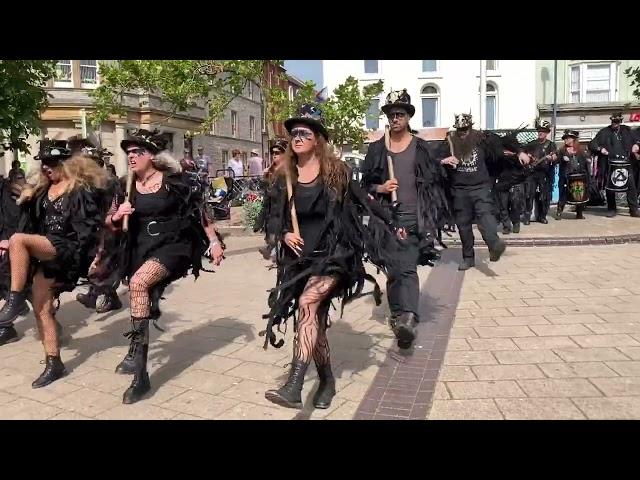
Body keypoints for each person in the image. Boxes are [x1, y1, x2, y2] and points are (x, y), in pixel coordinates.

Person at [262, 105, 401, 409]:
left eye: (304, 133)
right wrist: (284, 233)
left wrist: (393, 224)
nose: (297, 137)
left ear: (317, 139)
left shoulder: (336, 171)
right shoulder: (284, 175)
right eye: (294, 133)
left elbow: (365, 201)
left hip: (334, 256)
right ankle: (326, 380)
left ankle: (294, 384)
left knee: (307, 304)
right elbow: (272, 218)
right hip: (299, 262)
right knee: (314, 323)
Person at [106, 129, 224, 404]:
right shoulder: (124, 185)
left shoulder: (173, 181)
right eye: (129, 152)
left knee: (138, 284)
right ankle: (139, 359)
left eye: (138, 152)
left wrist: (214, 241)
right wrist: (117, 216)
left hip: (172, 245)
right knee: (140, 294)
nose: (132, 156)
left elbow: (199, 211)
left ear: (152, 155)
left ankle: (139, 370)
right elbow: (108, 221)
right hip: (139, 248)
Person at [0, 139, 107, 387]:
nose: (47, 168)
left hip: (67, 248)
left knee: (17, 240)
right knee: (42, 308)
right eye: (44, 163)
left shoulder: (79, 189)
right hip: (45, 249)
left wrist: (96, 257)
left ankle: (14, 300)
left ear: (66, 163)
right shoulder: (41, 191)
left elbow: (90, 228)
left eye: (52, 163)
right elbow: (27, 223)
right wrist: (26, 200)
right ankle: (53, 362)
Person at [361, 89, 449, 349]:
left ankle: (409, 318)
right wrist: (381, 188)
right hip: (386, 218)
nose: (395, 118)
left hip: (414, 217)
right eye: (391, 114)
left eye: (400, 114)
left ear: (408, 117)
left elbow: (434, 184)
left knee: (408, 268)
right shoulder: (378, 149)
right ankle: (399, 316)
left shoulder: (421, 147)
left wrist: (432, 215)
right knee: (394, 271)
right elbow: (366, 184)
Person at [438, 113, 529, 271]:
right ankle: (468, 258)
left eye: (465, 129)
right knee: (463, 225)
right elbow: (434, 158)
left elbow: (504, 142)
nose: (463, 132)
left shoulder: (482, 139)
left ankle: (494, 245)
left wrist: (520, 151)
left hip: (480, 187)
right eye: (460, 129)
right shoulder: (449, 142)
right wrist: (443, 161)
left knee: (486, 215)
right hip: (459, 190)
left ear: (470, 127)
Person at [590, 112, 640, 217]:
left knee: (631, 187)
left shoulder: (627, 130)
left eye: (617, 122)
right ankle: (611, 209)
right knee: (610, 187)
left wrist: (636, 145)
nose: (615, 124)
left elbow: (637, 140)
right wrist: (600, 149)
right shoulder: (604, 132)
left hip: (626, 164)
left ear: (620, 122)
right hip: (610, 165)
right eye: (613, 121)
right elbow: (592, 144)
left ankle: (633, 209)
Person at [0, 170, 28, 345]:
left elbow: (16, 217)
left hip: (12, 243)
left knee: (19, 285)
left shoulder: (9, 190)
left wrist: (7, 239)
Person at [255, 140, 288, 261]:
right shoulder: (271, 171)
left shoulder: (287, 172)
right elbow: (266, 196)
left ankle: (274, 252)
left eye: (278, 152)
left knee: (279, 253)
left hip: (281, 214)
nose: (274, 155)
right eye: (272, 152)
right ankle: (272, 250)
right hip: (271, 213)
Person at [523, 119, 557, 225]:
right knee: (529, 194)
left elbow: (555, 157)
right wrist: (526, 155)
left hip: (544, 174)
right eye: (539, 130)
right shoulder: (531, 144)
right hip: (532, 173)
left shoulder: (551, 145)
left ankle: (542, 216)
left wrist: (552, 158)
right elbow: (523, 153)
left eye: (543, 130)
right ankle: (527, 216)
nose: (540, 132)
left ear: (547, 132)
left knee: (544, 196)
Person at [555, 130, 590, 220]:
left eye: (568, 138)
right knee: (563, 194)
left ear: (573, 139)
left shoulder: (580, 150)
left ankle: (579, 213)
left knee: (579, 193)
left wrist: (587, 159)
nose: (566, 140)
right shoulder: (561, 150)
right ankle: (559, 212)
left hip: (579, 176)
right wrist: (562, 159)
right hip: (565, 176)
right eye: (565, 138)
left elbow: (586, 160)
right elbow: (556, 160)